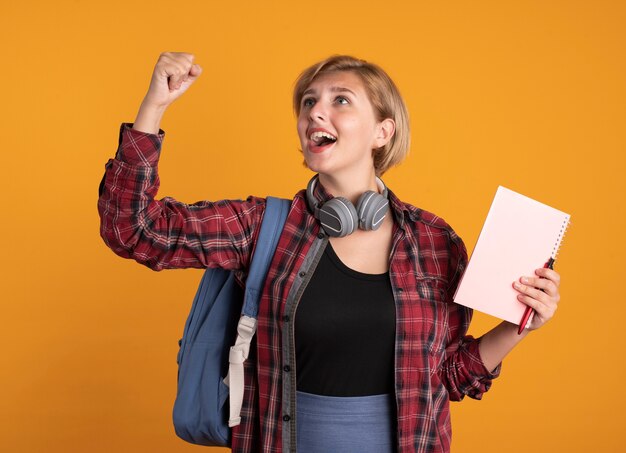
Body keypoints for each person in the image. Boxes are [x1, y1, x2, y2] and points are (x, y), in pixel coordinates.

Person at [98, 52, 561, 453]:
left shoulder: (435, 243)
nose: (316, 112)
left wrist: (518, 326)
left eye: (340, 100)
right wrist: (154, 105)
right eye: (308, 102)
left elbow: (450, 376)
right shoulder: (262, 228)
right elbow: (134, 230)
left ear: (383, 132)